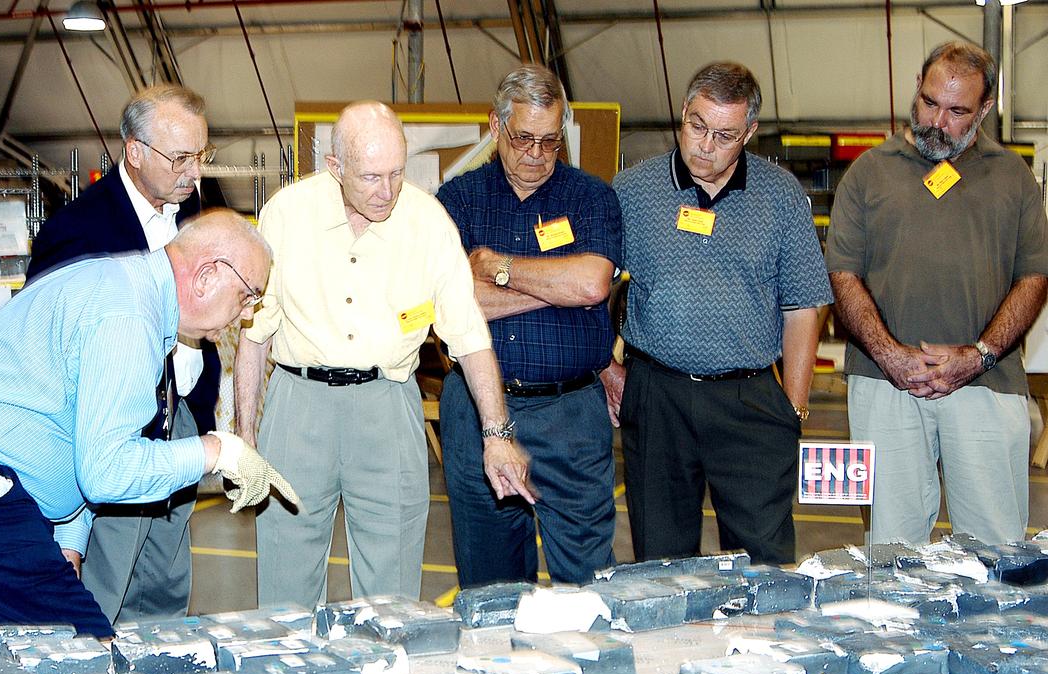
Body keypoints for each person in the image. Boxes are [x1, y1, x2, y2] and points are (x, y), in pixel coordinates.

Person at [0, 211, 298, 638]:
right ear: (207, 276)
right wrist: (219, 451)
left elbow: (74, 431)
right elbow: (107, 472)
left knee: (47, 650)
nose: (246, 315)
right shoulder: (129, 317)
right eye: (248, 296)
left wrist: (69, 541)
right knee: (86, 657)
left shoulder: (125, 290)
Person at [235, 101, 535, 608]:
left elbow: (470, 338)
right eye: (372, 177)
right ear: (335, 168)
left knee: (392, 586)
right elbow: (255, 335)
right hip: (297, 408)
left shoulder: (429, 222)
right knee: (285, 581)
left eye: (397, 173)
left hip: (389, 405)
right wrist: (245, 439)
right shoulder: (286, 213)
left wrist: (497, 435)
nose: (388, 191)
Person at [827, 41, 1048, 545]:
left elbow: (1033, 277)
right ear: (917, 88)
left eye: (956, 111)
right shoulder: (867, 173)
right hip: (885, 385)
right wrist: (891, 357)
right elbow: (842, 274)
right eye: (928, 102)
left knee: (995, 547)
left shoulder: (1013, 178)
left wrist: (979, 356)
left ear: (985, 109)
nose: (937, 121)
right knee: (892, 547)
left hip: (986, 385)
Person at [609, 62, 830, 564]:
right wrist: (608, 366)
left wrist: (790, 413)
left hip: (748, 399)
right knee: (661, 562)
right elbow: (594, 286)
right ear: (682, 114)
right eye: (697, 126)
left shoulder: (781, 198)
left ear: (749, 132)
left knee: (764, 562)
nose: (705, 145)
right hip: (657, 395)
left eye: (725, 135)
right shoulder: (632, 191)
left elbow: (802, 308)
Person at [25, 84, 221, 624]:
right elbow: (50, 346)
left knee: (164, 580)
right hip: (111, 430)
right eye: (180, 157)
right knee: (106, 588)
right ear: (133, 151)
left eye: (200, 156)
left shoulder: (192, 212)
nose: (194, 172)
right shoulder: (78, 230)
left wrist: (194, 414)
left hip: (177, 417)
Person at [436, 65, 623, 588]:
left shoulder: (591, 197)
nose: (537, 155)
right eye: (523, 139)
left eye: (549, 140)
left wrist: (499, 268)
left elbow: (591, 285)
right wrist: (553, 293)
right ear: (495, 128)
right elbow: (453, 305)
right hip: (476, 414)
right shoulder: (456, 202)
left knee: (586, 583)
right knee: (490, 586)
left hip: (573, 418)